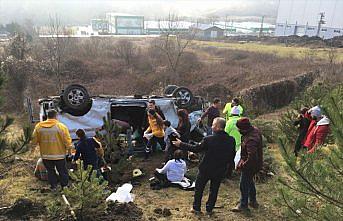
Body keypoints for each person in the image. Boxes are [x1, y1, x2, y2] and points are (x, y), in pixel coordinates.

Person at [173, 117, 236, 215]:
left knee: (199, 189)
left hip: (205, 169)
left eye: (213, 125)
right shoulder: (231, 140)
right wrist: (228, 170)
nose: (212, 126)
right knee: (214, 190)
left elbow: (196, 148)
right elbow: (232, 156)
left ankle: (196, 208)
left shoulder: (208, 139)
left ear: (218, 127)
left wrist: (181, 144)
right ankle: (209, 209)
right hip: (220, 170)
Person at [31, 109, 72, 190]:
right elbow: (67, 141)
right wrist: (69, 151)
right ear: (56, 116)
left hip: (46, 155)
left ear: (47, 116)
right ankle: (65, 186)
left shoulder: (39, 126)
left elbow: (33, 141)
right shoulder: (61, 127)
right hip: (59, 155)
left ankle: (53, 187)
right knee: (62, 171)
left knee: (50, 171)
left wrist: (31, 150)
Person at [232, 118, 263, 212]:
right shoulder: (254, 130)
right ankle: (253, 201)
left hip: (251, 165)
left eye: (239, 129)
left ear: (244, 129)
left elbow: (252, 157)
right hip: (255, 164)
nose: (238, 130)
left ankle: (243, 205)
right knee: (249, 181)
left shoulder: (251, 140)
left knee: (243, 184)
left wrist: (243, 165)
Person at [224, 106, 242, 178]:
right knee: (239, 158)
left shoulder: (229, 122)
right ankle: (238, 170)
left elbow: (225, 132)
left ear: (231, 114)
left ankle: (228, 174)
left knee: (229, 159)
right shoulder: (241, 121)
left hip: (230, 144)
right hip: (240, 144)